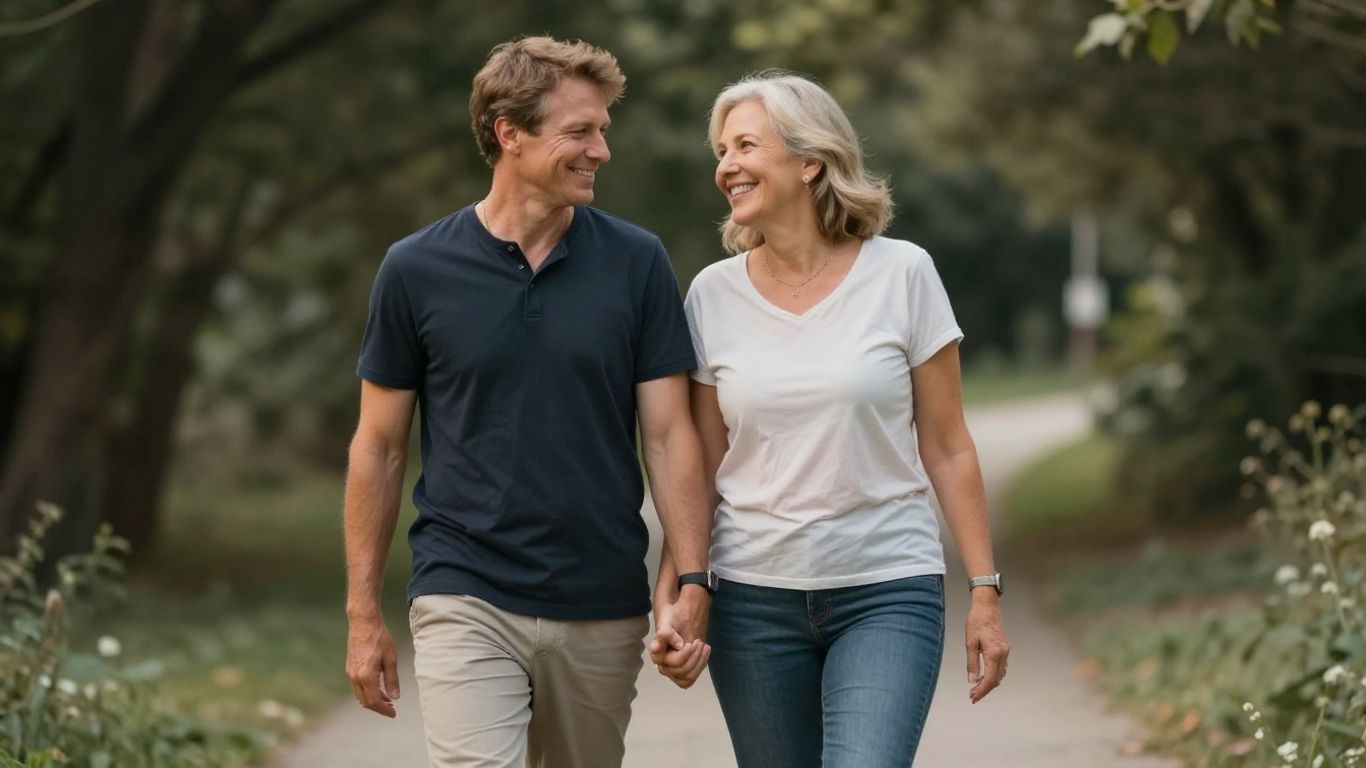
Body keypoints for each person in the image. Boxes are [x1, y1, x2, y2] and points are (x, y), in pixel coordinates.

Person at [343, 36, 714, 768]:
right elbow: (379, 447)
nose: (601, 150)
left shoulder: (637, 262)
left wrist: (694, 580)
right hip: (464, 588)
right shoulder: (416, 269)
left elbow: (670, 436)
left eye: (603, 129)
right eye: (581, 131)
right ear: (509, 133)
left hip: (600, 595)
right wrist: (362, 613)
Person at [650, 71, 1011, 767]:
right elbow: (702, 462)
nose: (726, 166)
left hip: (887, 588)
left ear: (810, 159)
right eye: (721, 151)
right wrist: (683, 582)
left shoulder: (903, 273)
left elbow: (948, 445)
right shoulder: (711, 295)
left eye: (745, 145)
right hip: (752, 599)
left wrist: (985, 590)